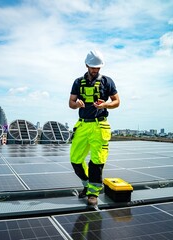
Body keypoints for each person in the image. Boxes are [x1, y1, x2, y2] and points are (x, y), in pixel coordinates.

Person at [69, 50, 120, 207]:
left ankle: (93, 193)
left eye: (98, 68)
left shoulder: (107, 81)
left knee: (97, 161)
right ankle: (86, 185)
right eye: (92, 67)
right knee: (75, 160)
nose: (95, 70)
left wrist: (105, 104)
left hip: (100, 126)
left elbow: (117, 101)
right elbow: (71, 103)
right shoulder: (78, 82)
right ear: (86, 65)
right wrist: (77, 104)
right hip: (83, 124)